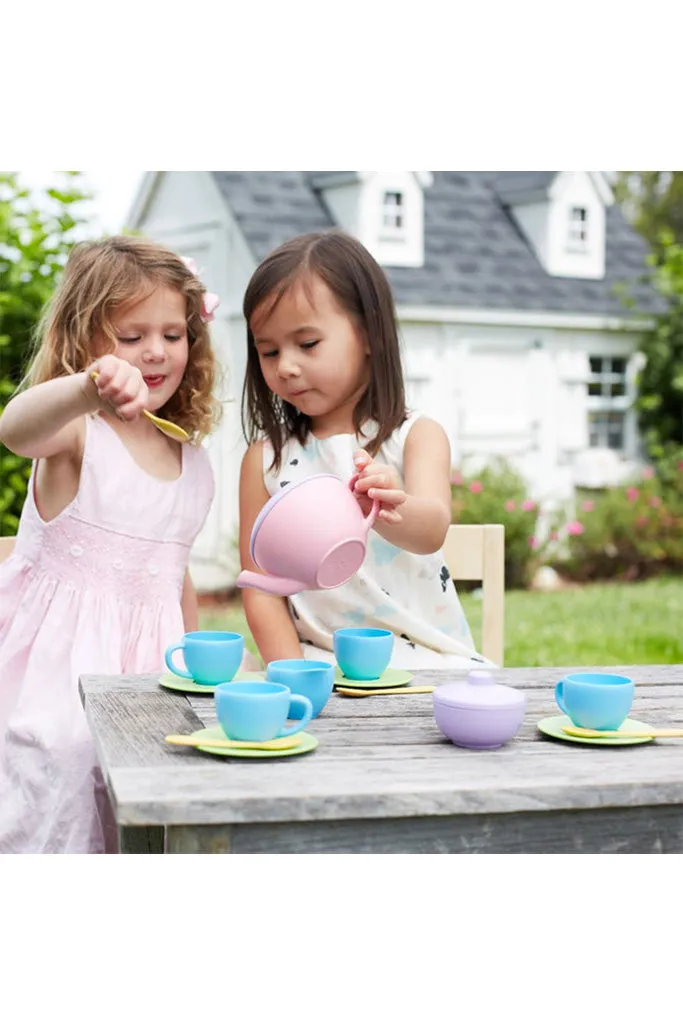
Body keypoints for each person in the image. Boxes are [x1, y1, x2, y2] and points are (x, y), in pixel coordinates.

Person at [0, 235, 225, 853]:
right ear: (84, 341)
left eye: (173, 334)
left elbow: (172, 580)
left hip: (151, 676)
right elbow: (13, 430)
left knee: (156, 809)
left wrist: (201, 674)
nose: (155, 352)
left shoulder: (195, 464)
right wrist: (84, 389)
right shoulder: (77, 432)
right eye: (131, 337)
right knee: (65, 778)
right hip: (55, 679)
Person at [238, 230, 489, 671]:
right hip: (317, 662)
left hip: (424, 662)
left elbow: (431, 529)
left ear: (370, 334)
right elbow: (261, 586)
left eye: (308, 343)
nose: (287, 366)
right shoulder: (265, 459)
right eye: (269, 351)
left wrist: (395, 506)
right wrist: (294, 675)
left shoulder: (415, 436)